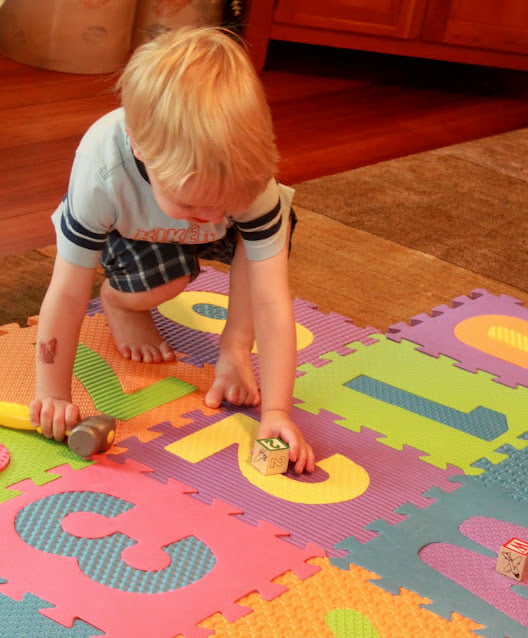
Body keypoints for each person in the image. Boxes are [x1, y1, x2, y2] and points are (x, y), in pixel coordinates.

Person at [28, 26, 315, 473]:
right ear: (139, 147)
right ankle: (121, 302)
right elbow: (66, 292)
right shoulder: (103, 172)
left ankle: (234, 349)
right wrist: (52, 394)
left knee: (262, 238)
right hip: (131, 229)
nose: (209, 214)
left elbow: (272, 297)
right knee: (166, 280)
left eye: (224, 202)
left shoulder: (250, 182)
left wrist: (277, 411)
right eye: (192, 202)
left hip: (191, 219)